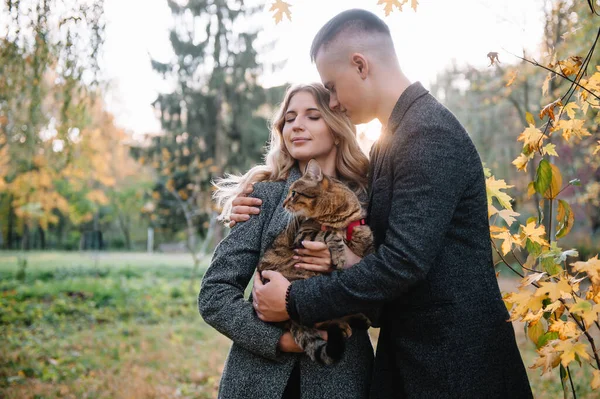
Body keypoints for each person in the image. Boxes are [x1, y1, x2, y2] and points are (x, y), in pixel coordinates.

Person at [232, 9, 533, 398]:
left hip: (454, 364)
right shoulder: (394, 140)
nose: (335, 102)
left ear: (360, 65)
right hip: (411, 356)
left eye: (333, 87)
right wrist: (247, 200)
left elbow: (402, 263)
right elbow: (369, 239)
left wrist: (293, 300)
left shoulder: (428, 134)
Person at [198, 83, 374, 399]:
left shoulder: (370, 199)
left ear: (336, 129)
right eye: (289, 118)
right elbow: (214, 295)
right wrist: (278, 341)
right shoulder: (262, 196)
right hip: (256, 380)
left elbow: (388, 288)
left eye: (312, 116)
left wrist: (345, 263)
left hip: (342, 376)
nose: (296, 125)